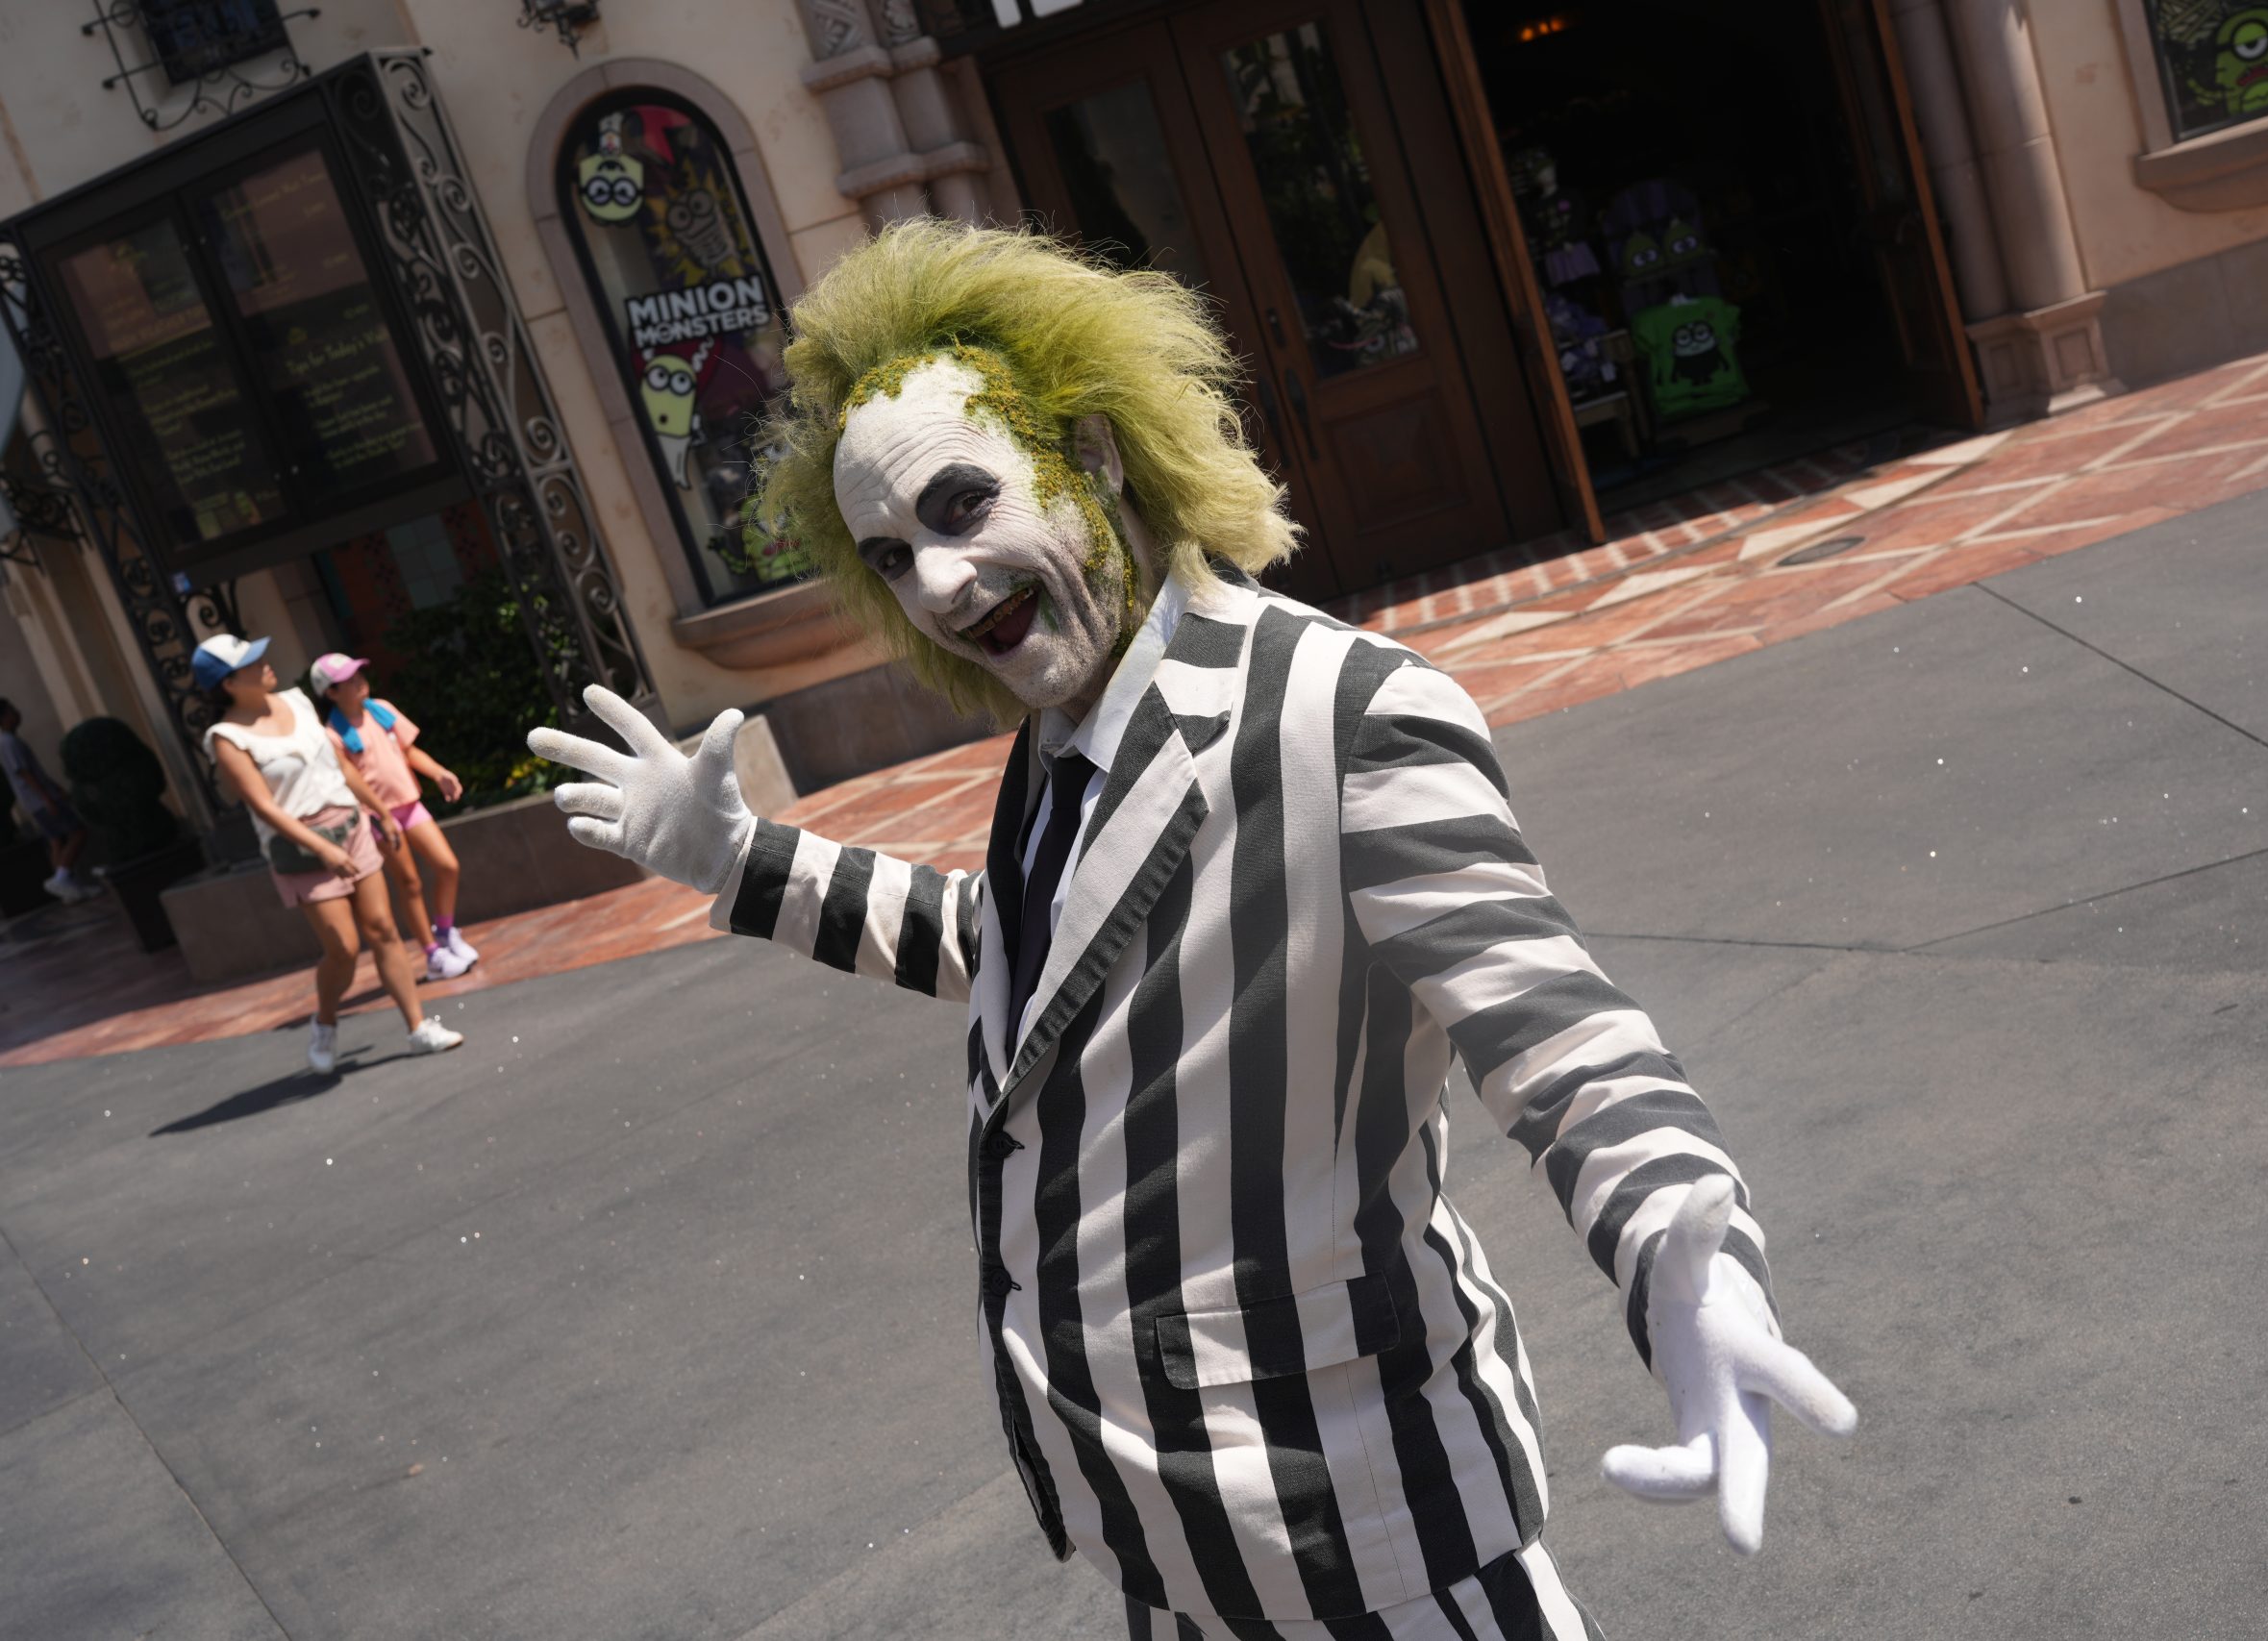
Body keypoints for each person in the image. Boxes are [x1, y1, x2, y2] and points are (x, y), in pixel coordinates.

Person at [533, 222, 1854, 1638]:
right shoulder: (1063, 732)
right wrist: (744, 862)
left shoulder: (1338, 713)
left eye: (963, 505)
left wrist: (1691, 1273)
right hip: (1172, 1533)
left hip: (1366, 1523)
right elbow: (1028, 953)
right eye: (892, 556)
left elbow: (1557, 1037)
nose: (937, 584)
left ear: (1095, 451)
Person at [193, 634, 463, 1073]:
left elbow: (339, 767)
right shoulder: (226, 738)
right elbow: (263, 806)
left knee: (383, 929)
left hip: (351, 825)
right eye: (251, 662)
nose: (264, 663)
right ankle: (325, 1022)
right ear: (229, 684)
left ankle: (418, 1027)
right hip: (299, 846)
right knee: (343, 948)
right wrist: (320, 847)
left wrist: (380, 812)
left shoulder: (297, 701)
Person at [311, 654, 481, 982]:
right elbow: (350, 780)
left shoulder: (381, 710)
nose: (359, 681)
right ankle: (432, 955)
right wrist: (382, 813)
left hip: (410, 805)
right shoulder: (332, 735)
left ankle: (445, 932)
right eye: (348, 680)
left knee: (448, 865)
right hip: (378, 818)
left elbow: (409, 751)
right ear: (331, 692)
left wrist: (438, 773)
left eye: (359, 674)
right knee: (410, 883)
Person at [0, 699, 98, 903]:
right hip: (40, 801)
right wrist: (47, 798)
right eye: (12, 710)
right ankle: (62, 878)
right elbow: (24, 773)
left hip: (37, 800)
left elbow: (33, 772)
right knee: (78, 832)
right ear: (4, 717)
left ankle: (67, 890)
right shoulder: (8, 742)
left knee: (56, 840)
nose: (17, 713)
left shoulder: (9, 741)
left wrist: (55, 788)